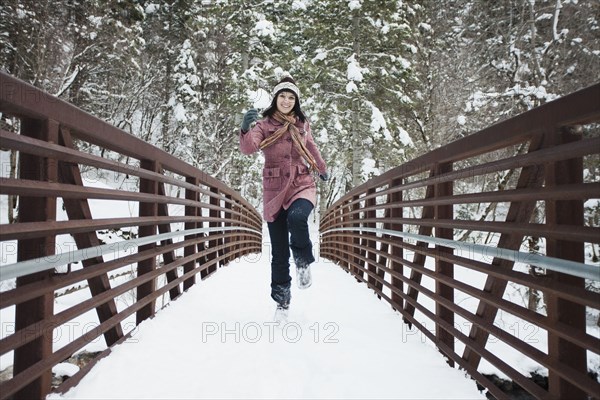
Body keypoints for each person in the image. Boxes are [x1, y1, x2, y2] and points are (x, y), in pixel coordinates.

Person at [239, 76, 328, 321]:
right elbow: (249, 148)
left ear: (295, 101)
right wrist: (246, 129)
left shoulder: (302, 124)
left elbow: (311, 148)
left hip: (301, 183)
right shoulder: (264, 125)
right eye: (282, 96)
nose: (287, 101)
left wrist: (321, 168)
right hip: (275, 188)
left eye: (291, 97)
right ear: (275, 99)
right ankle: (282, 303)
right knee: (278, 252)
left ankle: (302, 262)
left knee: (298, 219)